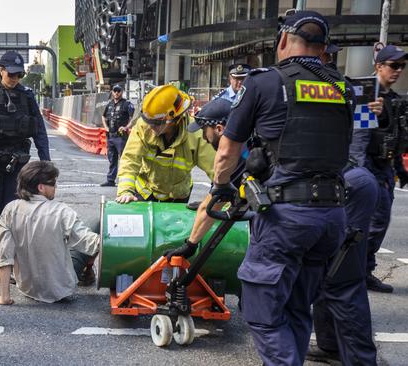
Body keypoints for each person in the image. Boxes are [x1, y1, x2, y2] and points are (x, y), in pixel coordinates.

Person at [209, 10, 354, 364]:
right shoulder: (343, 88)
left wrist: (222, 187)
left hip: (286, 216)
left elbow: (227, 150)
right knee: (297, 307)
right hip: (332, 215)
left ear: (284, 40)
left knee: (262, 312)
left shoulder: (264, 83)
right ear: (323, 48)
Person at [305, 44, 385, 366]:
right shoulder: (344, 87)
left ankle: (360, 358)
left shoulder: (331, 87)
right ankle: (329, 344)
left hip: (346, 182)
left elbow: (363, 142)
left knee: (341, 277)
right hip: (347, 180)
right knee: (327, 270)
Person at [0, 50, 51, 278]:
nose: (14, 79)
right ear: (1, 70)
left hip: (18, 166)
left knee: (15, 214)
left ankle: (12, 260)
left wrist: (46, 165)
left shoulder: (27, 96)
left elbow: (40, 132)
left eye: (18, 75)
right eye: (11, 74)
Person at [0, 161, 100, 305]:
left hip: (27, 288)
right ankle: (87, 273)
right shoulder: (62, 211)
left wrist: (4, 297)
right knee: (96, 222)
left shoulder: (10, 210)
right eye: (53, 183)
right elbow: (89, 242)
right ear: (41, 187)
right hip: (61, 290)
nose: (56, 187)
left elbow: (5, 255)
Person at [349, 45, 407, 293]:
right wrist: (362, 177)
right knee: (369, 224)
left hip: (385, 169)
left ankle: (363, 271)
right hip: (369, 169)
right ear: (378, 66)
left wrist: (400, 172)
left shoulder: (393, 99)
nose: (399, 70)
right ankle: (355, 272)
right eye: (393, 65)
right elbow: (359, 140)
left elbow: (394, 136)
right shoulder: (366, 96)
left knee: (379, 223)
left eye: (402, 66)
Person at [164, 97, 246, 259]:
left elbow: (211, 207)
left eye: (204, 131)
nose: (204, 138)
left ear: (219, 129)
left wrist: (190, 245)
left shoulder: (234, 156)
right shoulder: (247, 142)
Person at [115, 84, 215, 204]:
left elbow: (215, 169)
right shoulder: (143, 126)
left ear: (175, 119)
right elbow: (130, 159)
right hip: (145, 192)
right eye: (148, 121)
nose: (151, 126)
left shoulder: (196, 135)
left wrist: (222, 196)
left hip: (178, 195)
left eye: (157, 123)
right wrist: (126, 191)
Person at [100, 84, 134, 187]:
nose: (116, 93)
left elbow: (133, 117)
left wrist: (126, 127)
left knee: (124, 159)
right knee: (112, 158)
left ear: (122, 91)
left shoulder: (126, 104)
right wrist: (106, 127)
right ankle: (110, 180)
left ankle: (125, 181)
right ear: (112, 92)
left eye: (118, 91)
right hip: (111, 136)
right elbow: (103, 116)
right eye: (115, 90)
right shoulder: (109, 104)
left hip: (121, 137)